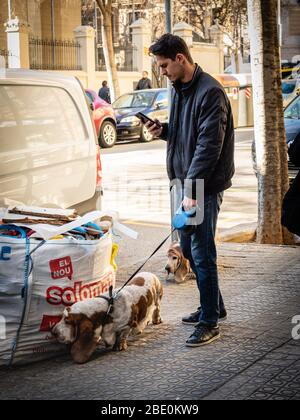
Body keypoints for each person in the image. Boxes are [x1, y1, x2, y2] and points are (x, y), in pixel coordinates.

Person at [147, 34, 235, 347]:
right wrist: (164, 132)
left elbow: (209, 145)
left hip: (201, 186)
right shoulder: (180, 89)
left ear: (181, 59)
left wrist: (193, 189)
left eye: (165, 65)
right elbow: (187, 136)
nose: (162, 72)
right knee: (189, 247)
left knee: (201, 252)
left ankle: (210, 322)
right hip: (184, 183)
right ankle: (215, 306)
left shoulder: (210, 92)